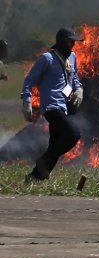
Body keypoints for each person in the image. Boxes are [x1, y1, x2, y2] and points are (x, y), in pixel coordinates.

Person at [20, 28, 85, 182]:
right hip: (51, 106)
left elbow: (74, 78)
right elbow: (30, 80)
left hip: (64, 106)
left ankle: (35, 177)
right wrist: (27, 101)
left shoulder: (72, 58)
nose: (73, 45)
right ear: (62, 41)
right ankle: (42, 161)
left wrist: (79, 90)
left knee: (55, 143)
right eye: (71, 41)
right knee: (73, 134)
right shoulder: (46, 59)